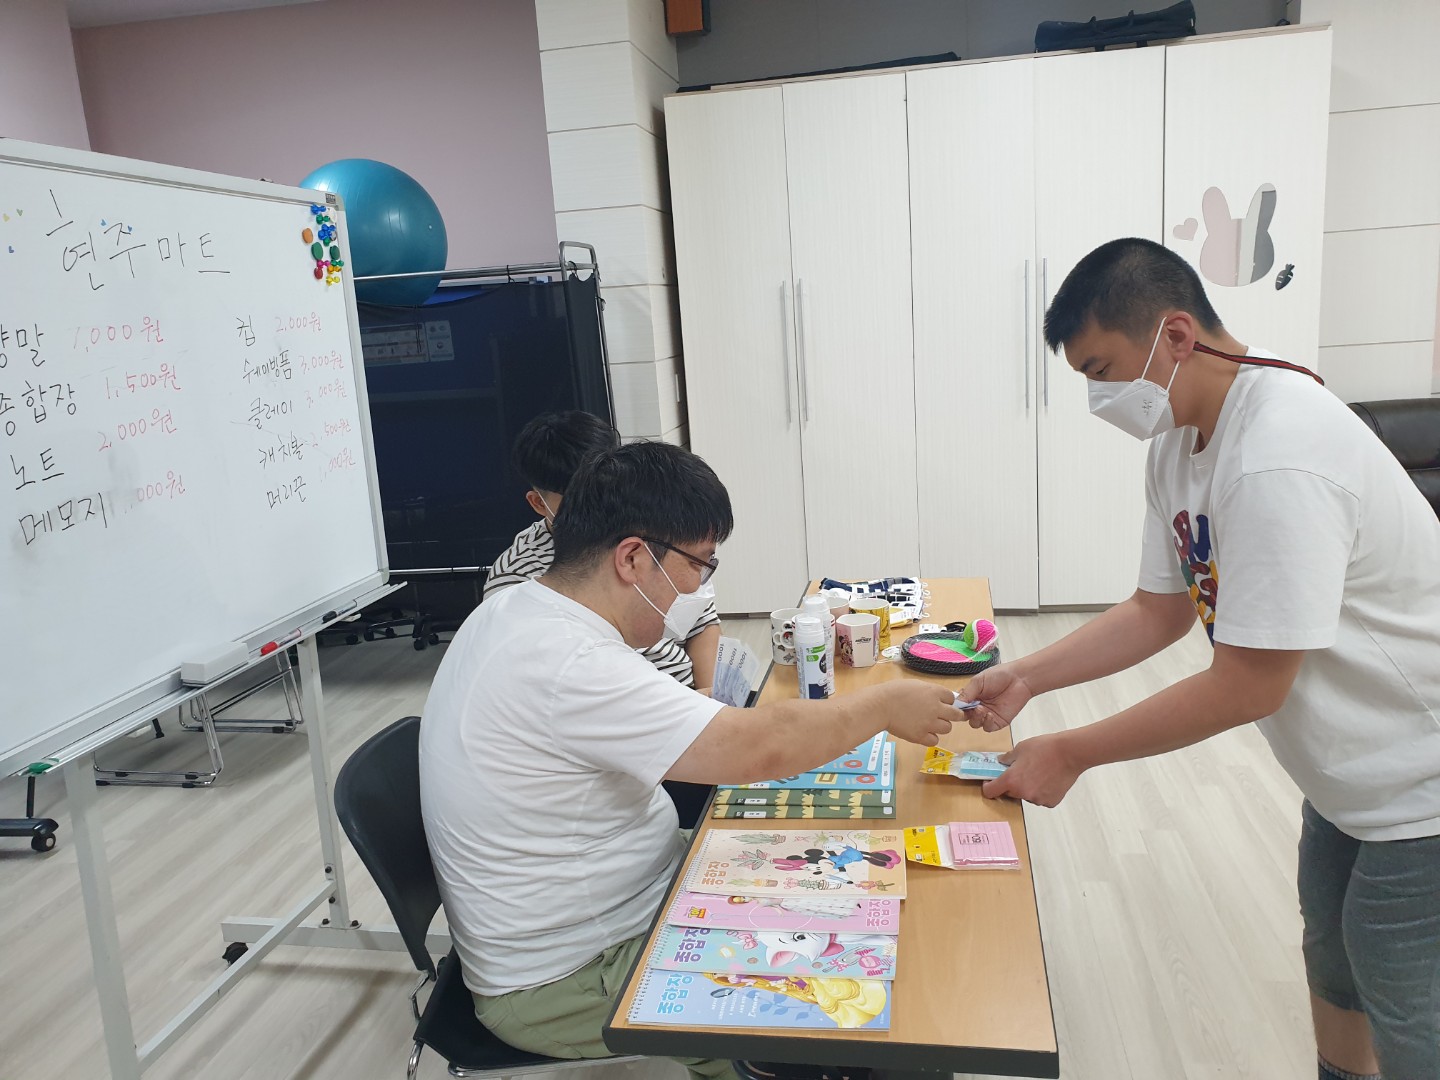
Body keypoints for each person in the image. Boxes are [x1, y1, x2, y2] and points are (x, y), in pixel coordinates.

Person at [959, 237, 1440, 1080]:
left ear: (1176, 335)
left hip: (1420, 776)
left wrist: (1072, 751)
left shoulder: (1280, 451)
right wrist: (1027, 677)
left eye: (1103, 370)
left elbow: (1249, 685)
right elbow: (1158, 611)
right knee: (1333, 957)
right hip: (1349, 774)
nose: (1102, 397)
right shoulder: (1177, 446)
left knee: (1400, 986)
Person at [420, 441, 956, 1080]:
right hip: (568, 972)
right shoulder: (568, 662)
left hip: (625, 893)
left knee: (852, 886)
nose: (700, 587)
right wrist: (883, 705)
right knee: (859, 1015)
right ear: (631, 557)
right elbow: (758, 746)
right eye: (699, 564)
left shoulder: (519, 610)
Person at [486, 410, 721, 825]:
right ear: (539, 503)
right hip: (629, 741)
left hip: (687, 704)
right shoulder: (517, 583)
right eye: (580, 494)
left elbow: (701, 620)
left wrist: (709, 691)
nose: (600, 505)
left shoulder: (647, 541)